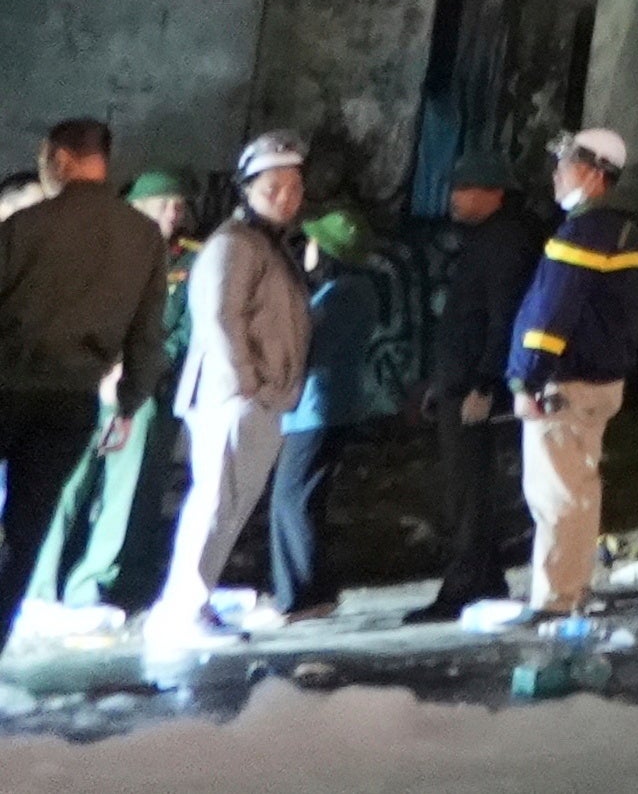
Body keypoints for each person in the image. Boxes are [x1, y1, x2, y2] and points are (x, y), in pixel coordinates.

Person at [0, 121, 168, 660]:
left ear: (59, 157)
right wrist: (129, 404)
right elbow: (147, 335)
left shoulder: (25, 227)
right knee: (26, 531)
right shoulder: (143, 238)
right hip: (71, 402)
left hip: (8, 383)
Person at [151, 133, 312, 645]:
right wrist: (248, 383)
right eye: (273, 187)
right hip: (234, 397)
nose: (286, 196)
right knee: (216, 503)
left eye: (293, 187)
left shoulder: (267, 244)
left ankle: (192, 602)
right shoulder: (235, 243)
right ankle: (184, 610)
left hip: (257, 397)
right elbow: (218, 317)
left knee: (228, 505)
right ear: (248, 189)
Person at [27, 173, 191, 620]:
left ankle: (90, 585)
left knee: (124, 491)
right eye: (160, 205)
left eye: (176, 207)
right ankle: (37, 587)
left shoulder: (184, 264)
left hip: (139, 390)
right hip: (82, 385)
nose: (170, 216)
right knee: (63, 486)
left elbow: (177, 332)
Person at [506, 128, 638, 622]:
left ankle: (557, 598)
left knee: (557, 494)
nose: (556, 175)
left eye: (564, 166)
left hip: (567, 383)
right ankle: (573, 587)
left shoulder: (583, 234)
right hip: (600, 380)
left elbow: (551, 315)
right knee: (579, 490)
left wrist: (527, 379)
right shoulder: (621, 231)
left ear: (592, 174)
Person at [406, 153, 535, 621]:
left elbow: (503, 316)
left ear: (494, 192)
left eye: (465, 189)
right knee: (470, 488)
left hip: (473, 385)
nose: (454, 199)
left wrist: (485, 382)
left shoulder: (504, 241)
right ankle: (484, 578)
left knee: (469, 490)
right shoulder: (493, 237)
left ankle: (464, 587)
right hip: (463, 380)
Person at [263, 211, 384, 620]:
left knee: (289, 500)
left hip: (315, 410)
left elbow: (310, 351)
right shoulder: (358, 289)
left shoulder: (340, 295)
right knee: (305, 499)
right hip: (333, 407)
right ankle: (317, 590)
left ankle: (300, 596)